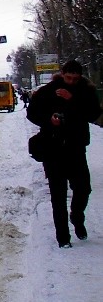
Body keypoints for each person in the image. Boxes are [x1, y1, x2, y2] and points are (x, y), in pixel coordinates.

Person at [27, 60, 101, 249]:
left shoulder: (86, 91)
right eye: (68, 78)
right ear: (62, 74)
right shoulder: (48, 91)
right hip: (53, 149)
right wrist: (49, 120)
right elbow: (32, 113)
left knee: (83, 189)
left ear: (80, 77)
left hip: (76, 148)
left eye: (75, 79)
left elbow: (93, 114)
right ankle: (63, 237)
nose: (72, 81)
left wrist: (72, 100)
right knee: (58, 195)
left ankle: (77, 216)